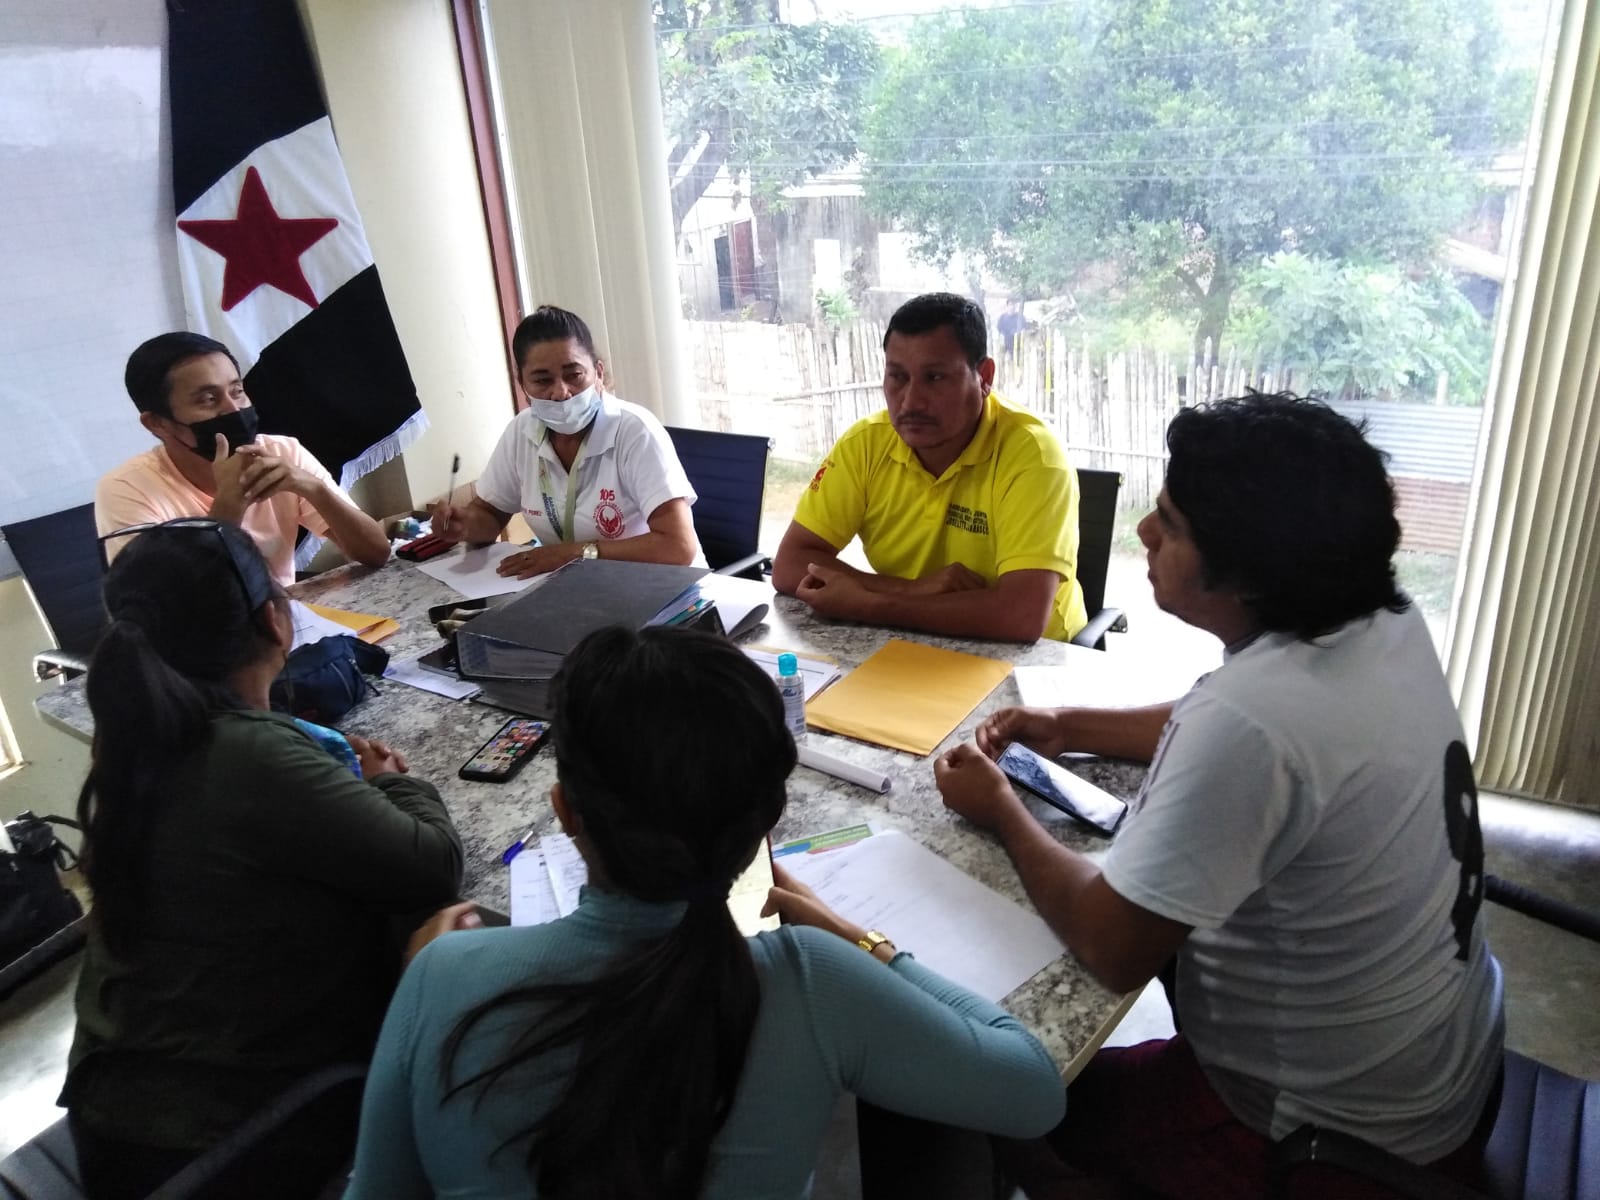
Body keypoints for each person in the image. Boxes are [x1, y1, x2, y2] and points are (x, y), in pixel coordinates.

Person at [933, 393, 1505, 1198]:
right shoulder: (1381, 622)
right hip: (1439, 1072)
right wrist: (1070, 724)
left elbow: (1113, 945)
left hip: (1315, 1138)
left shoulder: (1250, 720)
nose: (1144, 532)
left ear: (1246, 572)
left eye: (1170, 525)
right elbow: (1259, 732)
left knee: (1001, 1095)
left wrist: (999, 806)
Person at [343, 624, 1065, 1199]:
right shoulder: (811, 983)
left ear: (565, 811)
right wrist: (859, 940)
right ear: (762, 829)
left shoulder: (443, 973)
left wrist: (432, 980)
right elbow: (1034, 1091)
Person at [60, 519, 465, 1200]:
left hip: (116, 1124)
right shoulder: (249, 755)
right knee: (451, 957)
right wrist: (398, 782)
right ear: (276, 622)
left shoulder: (138, 739)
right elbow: (432, 865)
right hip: (232, 1150)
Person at [772, 292, 1087, 642]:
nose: (911, 401)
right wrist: (912, 590)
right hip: (907, 638)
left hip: (1034, 657)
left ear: (984, 377)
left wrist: (868, 604)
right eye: (897, 376)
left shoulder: (1034, 455)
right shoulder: (866, 444)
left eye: (934, 378)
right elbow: (789, 564)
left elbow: (1021, 617)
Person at [96, 331, 391, 587]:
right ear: (157, 423)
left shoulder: (282, 452)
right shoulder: (125, 489)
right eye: (208, 400)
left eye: (237, 391)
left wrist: (315, 489)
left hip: (286, 621)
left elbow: (376, 553)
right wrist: (229, 504)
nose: (233, 409)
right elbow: (168, 606)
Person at [430, 305, 703, 580]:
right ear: (522, 384)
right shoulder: (522, 432)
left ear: (598, 372)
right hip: (579, 586)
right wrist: (465, 525)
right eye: (542, 380)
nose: (561, 392)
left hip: (664, 588)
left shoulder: (634, 431)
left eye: (574, 375)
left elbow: (678, 547)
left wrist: (572, 554)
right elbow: (490, 514)